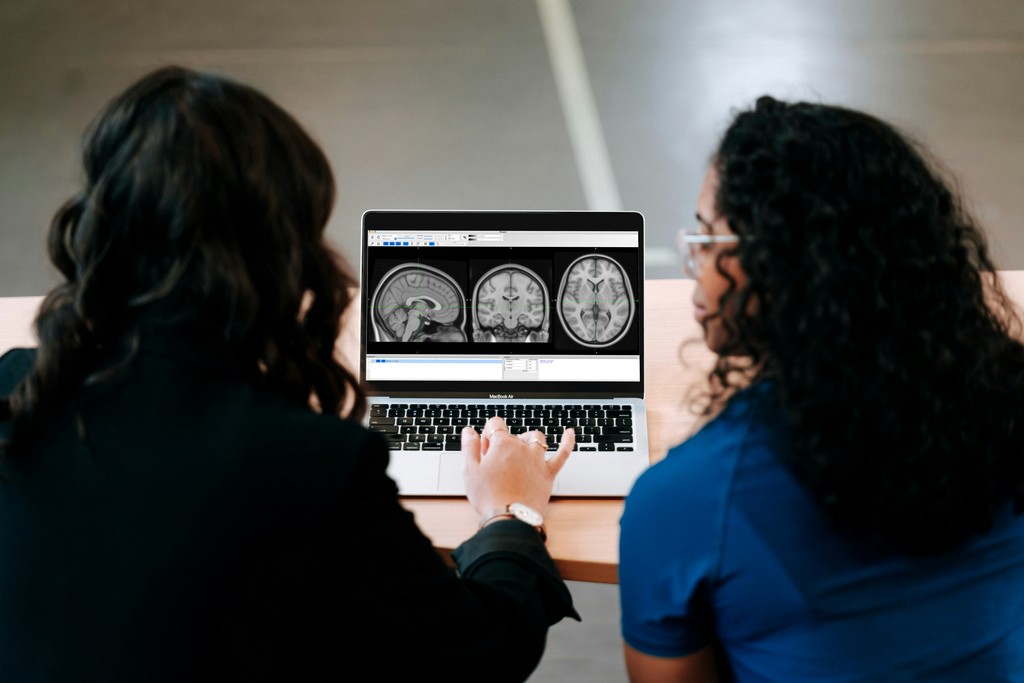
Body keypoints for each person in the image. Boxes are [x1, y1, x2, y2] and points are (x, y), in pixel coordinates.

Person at [0, 65, 578, 682]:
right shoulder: (311, 465)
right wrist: (512, 515)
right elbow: (482, 652)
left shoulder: (21, 390)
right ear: (280, 251)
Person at [618, 95, 1024, 682]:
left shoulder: (687, 500)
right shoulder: (1005, 407)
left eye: (709, 240)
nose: (694, 265)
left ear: (779, 266)